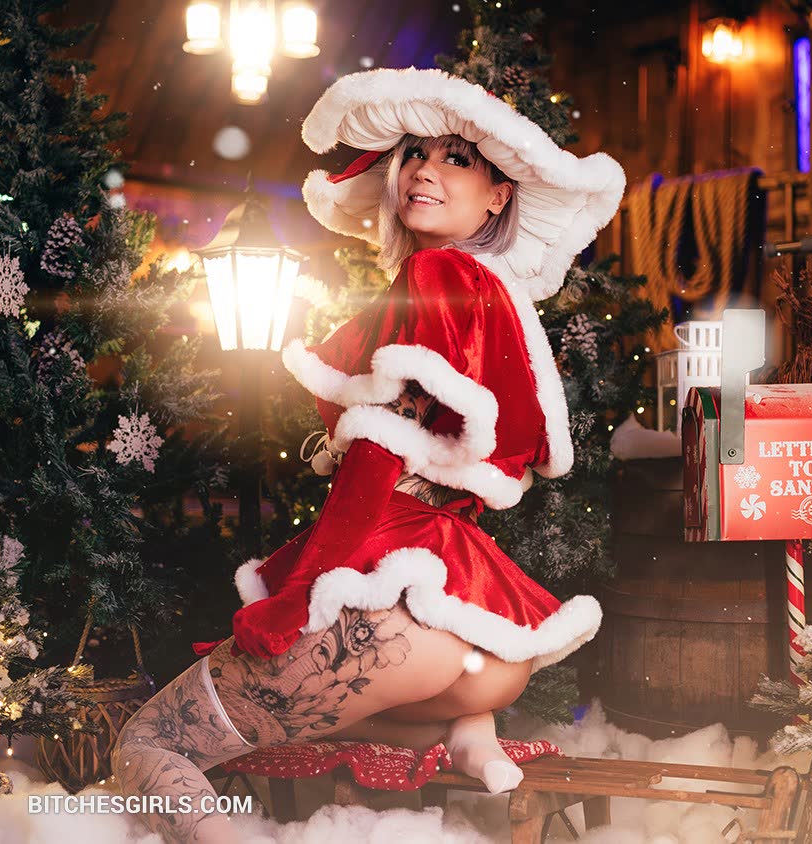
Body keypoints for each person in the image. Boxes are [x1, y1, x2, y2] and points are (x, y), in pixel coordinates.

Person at [111, 67, 625, 843]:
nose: (424, 169)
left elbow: (382, 450)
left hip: (396, 610)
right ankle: (466, 729)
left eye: (456, 158)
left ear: (499, 196)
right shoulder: (488, 291)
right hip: (479, 643)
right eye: (414, 153)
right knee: (317, 723)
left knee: (147, 743)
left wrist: (299, 596)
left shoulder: (433, 272)